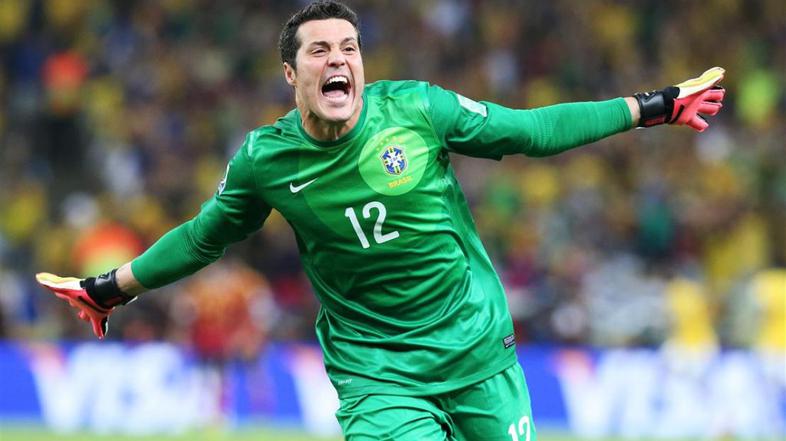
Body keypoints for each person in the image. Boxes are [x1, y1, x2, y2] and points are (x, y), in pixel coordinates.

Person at [36, 1, 726, 439]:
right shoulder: (264, 160)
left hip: (476, 351)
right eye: (319, 50)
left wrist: (653, 106)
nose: (338, 59)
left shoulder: (418, 109)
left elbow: (531, 132)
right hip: (378, 372)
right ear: (291, 75)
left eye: (350, 47)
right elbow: (202, 236)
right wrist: (111, 288)